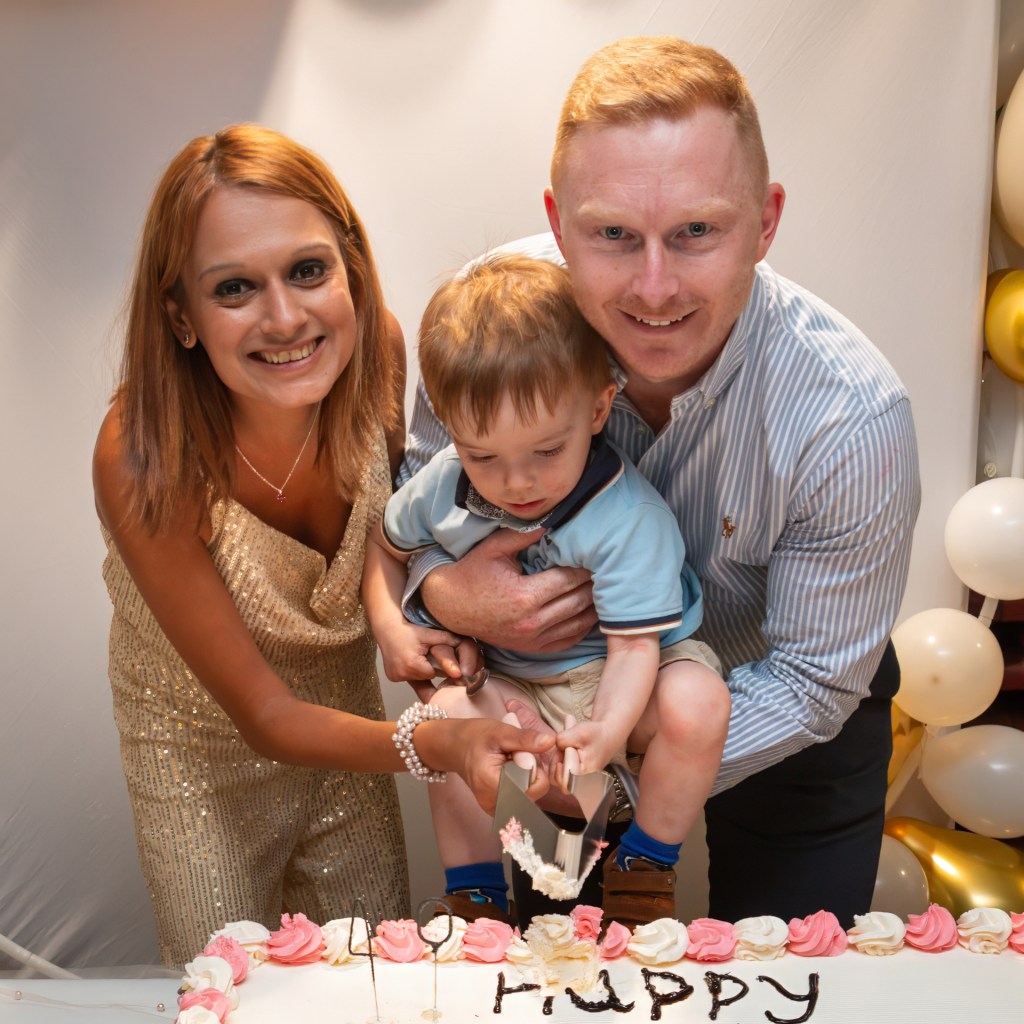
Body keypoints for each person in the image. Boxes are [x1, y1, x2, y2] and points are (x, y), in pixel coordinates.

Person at [399, 37, 922, 928]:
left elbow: (811, 684)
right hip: (554, 700)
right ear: (558, 221)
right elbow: (421, 510)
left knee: (788, 978)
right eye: (612, 235)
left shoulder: (853, 419)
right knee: (556, 972)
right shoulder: (485, 330)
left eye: (696, 233)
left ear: (766, 221)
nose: (653, 287)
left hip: (786, 709)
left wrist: (632, 753)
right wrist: (447, 594)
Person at [93, 124, 552, 965]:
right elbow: (265, 718)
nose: (285, 318)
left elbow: (401, 533)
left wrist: (429, 614)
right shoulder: (141, 452)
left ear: (350, 268)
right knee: (227, 993)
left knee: (368, 983)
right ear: (181, 315)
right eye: (235, 288)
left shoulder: (379, 352)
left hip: (348, 734)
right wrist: (438, 741)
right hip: (199, 760)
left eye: (308, 270)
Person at [362, 254, 730, 928]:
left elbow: (634, 651)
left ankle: (644, 863)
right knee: (443, 720)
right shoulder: (441, 481)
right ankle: (476, 896)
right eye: (483, 456)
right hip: (514, 683)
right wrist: (389, 626)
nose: (517, 482)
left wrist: (606, 733)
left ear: (598, 409)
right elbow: (384, 548)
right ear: (451, 427)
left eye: (546, 451)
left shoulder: (629, 517)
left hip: (624, 674)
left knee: (699, 700)